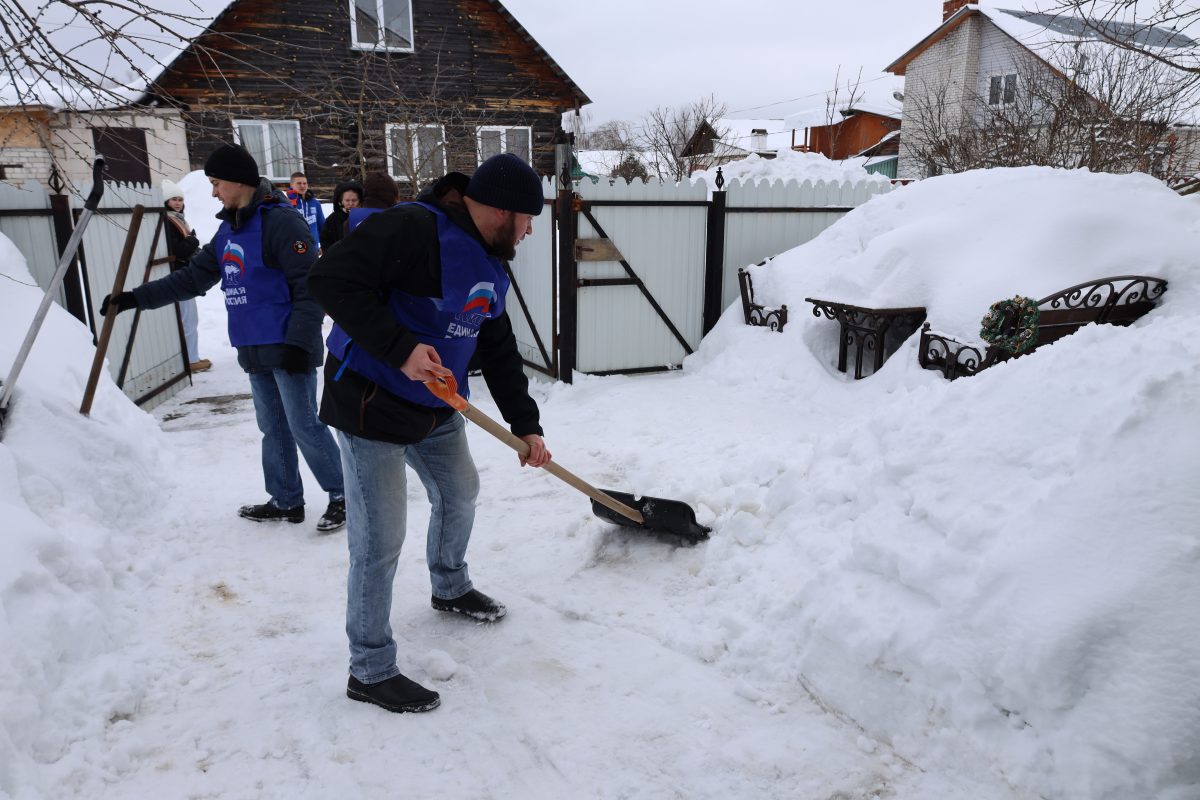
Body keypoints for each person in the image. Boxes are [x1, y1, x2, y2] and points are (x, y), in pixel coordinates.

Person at [308, 153, 552, 714]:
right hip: (369, 404)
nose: (531, 229)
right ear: (499, 210)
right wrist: (399, 349)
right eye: (528, 218)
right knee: (379, 539)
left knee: (460, 492)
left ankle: (450, 585)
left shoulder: (491, 264)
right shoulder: (414, 228)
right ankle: (369, 669)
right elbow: (329, 280)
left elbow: (497, 348)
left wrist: (527, 425)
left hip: (437, 408)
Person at [102, 144, 347, 533]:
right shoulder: (229, 230)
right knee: (273, 427)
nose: (213, 192)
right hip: (253, 346)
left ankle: (343, 495)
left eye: (216, 184)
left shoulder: (282, 223)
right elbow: (193, 278)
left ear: (238, 181)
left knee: (303, 425)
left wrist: (300, 344)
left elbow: (309, 286)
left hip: (287, 346)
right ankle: (285, 499)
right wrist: (137, 298)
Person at [161, 178, 208, 373]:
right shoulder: (169, 222)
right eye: (173, 199)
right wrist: (193, 241)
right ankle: (191, 358)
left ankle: (190, 356)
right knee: (188, 319)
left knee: (187, 318)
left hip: (181, 274)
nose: (178, 203)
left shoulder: (178, 220)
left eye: (180, 199)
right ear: (165, 201)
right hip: (178, 274)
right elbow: (177, 250)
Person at [318, 179, 362, 252]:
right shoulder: (332, 220)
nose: (350, 203)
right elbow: (326, 242)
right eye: (347, 200)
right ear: (341, 201)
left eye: (354, 200)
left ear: (359, 200)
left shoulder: (365, 217)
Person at [286, 171, 325, 251]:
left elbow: (322, 226)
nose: (302, 186)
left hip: (313, 248)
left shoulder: (315, 203)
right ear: (291, 185)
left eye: (305, 183)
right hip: (294, 249)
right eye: (299, 183)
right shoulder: (286, 203)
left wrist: (324, 245)